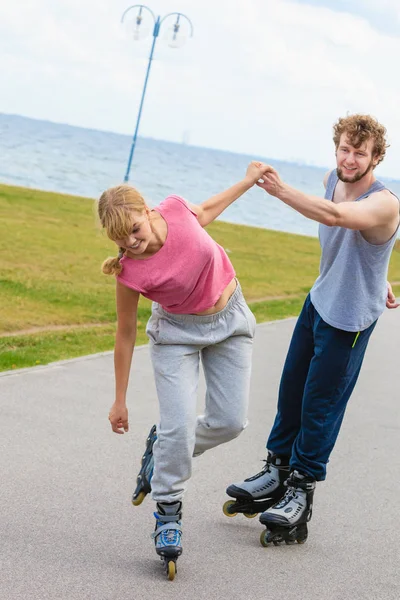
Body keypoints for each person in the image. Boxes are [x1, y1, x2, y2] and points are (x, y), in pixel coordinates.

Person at [225, 114, 400, 546]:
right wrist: (381, 275)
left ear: (377, 157)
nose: (350, 158)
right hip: (318, 301)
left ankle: (301, 489)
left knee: (320, 405)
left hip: (350, 319)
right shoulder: (331, 178)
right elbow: (353, 237)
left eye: (360, 152)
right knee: (291, 391)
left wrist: (279, 189)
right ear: (336, 147)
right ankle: (276, 468)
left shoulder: (386, 201)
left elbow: (339, 217)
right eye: (345, 148)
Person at [97, 161, 267, 578]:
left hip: (230, 322)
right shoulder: (128, 272)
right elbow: (125, 332)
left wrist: (247, 180)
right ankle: (168, 512)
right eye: (121, 240)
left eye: (135, 230)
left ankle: (164, 448)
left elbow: (207, 210)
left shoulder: (174, 208)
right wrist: (119, 400)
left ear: (147, 211)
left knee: (230, 423)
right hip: (175, 335)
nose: (132, 244)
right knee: (178, 426)